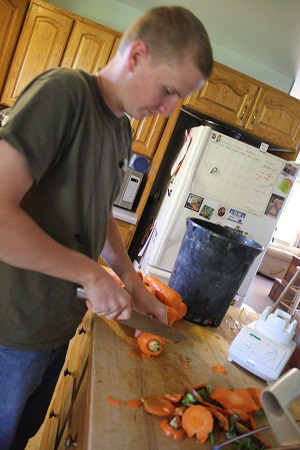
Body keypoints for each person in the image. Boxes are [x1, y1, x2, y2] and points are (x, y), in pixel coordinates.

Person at [0, 6, 213, 449]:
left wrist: (133, 285)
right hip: (9, 330)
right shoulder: (65, 95)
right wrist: (92, 273)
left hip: (51, 328)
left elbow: (96, 216)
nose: (170, 108)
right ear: (136, 55)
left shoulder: (119, 131)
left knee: (20, 436)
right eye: (169, 90)